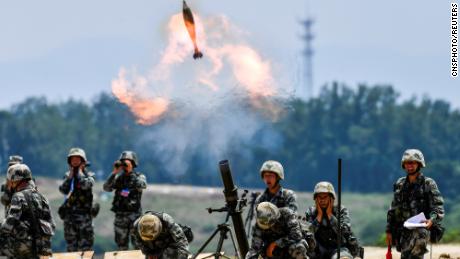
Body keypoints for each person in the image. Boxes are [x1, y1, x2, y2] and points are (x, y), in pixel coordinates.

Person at [386, 149, 445, 259]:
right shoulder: (400, 184)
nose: (410, 165)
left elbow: (437, 207)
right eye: (407, 163)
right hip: (403, 230)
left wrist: (431, 220)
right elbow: (393, 208)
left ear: (419, 164)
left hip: (422, 229)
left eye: (413, 162)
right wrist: (389, 230)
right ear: (404, 165)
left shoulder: (428, 184)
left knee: (416, 256)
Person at [0, 164, 55, 258]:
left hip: (23, 246)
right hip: (41, 247)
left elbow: (9, 225)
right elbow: (52, 225)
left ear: (16, 180)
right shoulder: (42, 198)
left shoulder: (18, 196)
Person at [305, 182, 362, 259]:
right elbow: (309, 233)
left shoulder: (341, 210)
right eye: (319, 197)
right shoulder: (311, 212)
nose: (322, 200)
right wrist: (319, 216)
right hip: (317, 250)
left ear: (331, 198)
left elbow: (344, 232)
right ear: (315, 199)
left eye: (325, 197)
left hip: (338, 249)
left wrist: (329, 215)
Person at [103, 150, 147, 250]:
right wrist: (114, 172)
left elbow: (142, 185)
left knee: (138, 246)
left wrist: (130, 172)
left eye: (127, 162)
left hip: (134, 216)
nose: (124, 164)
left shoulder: (139, 176)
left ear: (133, 163)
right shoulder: (118, 178)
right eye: (123, 162)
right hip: (120, 217)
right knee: (121, 246)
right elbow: (106, 188)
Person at [58, 147, 96, 252]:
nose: (74, 162)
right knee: (71, 250)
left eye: (77, 159)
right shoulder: (67, 176)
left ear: (83, 161)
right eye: (72, 159)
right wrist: (70, 176)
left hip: (85, 219)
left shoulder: (90, 176)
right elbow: (63, 190)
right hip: (70, 219)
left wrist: (79, 172)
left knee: (86, 250)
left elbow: (85, 185)